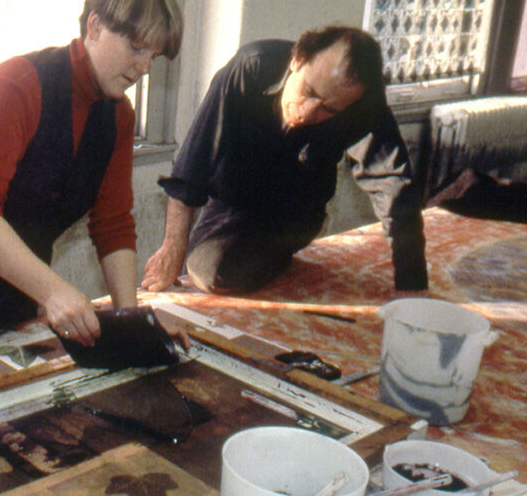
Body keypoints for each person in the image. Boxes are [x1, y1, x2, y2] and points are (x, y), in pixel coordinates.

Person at [0, 0, 184, 345]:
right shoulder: (15, 86)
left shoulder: (118, 115)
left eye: (153, 56)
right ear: (94, 26)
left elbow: (112, 223)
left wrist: (132, 323)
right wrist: (54, 291)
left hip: (20, 280)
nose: (144, 67)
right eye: (136, 48)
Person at [142, 26, 428, 295]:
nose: (307, 113)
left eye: (329, 109)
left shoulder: (364, 105)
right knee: (207, 271)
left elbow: (393, 186)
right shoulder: (251, 68)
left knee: (231, 267)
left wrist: (411, 282)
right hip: (233, 203)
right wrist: (172, 248)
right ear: (297, 60)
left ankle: (277, 250)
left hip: (296, 214)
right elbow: (192, 165)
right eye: (309, 92)